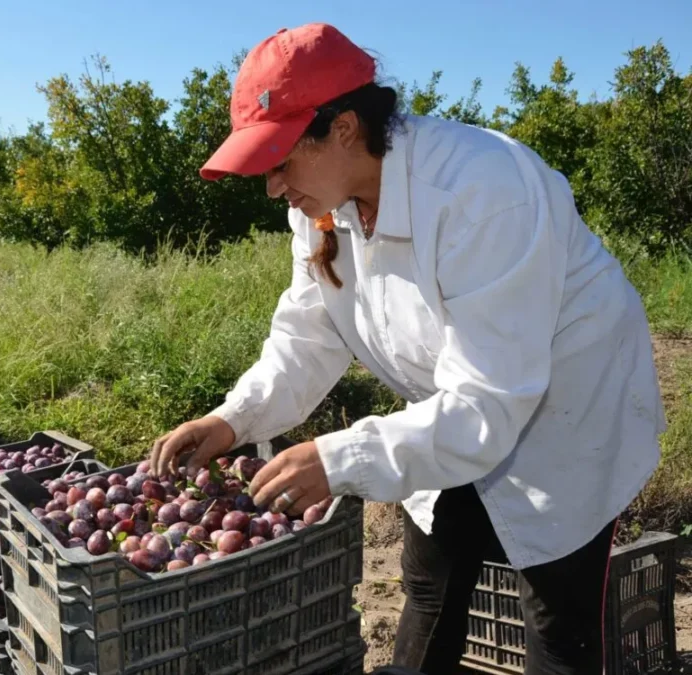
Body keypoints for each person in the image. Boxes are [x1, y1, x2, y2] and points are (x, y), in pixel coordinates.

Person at [149, 23, 664, 675]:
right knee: (429, 578)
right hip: (451, 404)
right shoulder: (320, 206)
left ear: (343, 129)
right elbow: (310, 330)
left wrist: (341, 456)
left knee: (557, 620)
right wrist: (234, 418)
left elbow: (489, 399)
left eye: (281, 161)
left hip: (565, 406)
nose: (273, 186)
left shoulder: (480, 192)